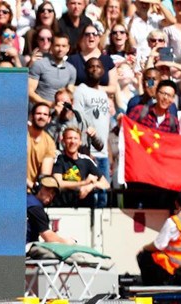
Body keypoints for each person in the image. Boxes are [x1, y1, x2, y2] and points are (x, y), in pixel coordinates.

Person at [73, 58, 111, 207]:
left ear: (103, 71)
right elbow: (78, 121)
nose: (95, 69)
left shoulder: (103, 93)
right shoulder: (81, 90)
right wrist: (84, 150)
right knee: (90, 199)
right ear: (85, 70)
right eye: (91, 67)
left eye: (98, 66)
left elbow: (104, 125)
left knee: (103, 198)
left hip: (104, 154)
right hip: (89, 153)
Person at [52, 127, 110, 208]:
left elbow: (106, 184)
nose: (72, 141)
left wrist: (90, 186)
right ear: (63, 141)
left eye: (75, 138)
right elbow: (58, 183)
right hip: (62, 208)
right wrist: (84, 182)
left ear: (80, 142)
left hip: (84, 210)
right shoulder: (59, 159)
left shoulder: (86, 160)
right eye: (69, 138)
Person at [28, 33, 76, 107]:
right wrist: (49, 104)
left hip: (61, 112)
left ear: (68, 48)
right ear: (51, 47)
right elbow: (29, 91)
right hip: (41, 110)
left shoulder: (71, 69)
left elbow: (70, 93)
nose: (60, 49)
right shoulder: (39, 64)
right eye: (57, 45)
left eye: (63, 46)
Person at [27, 175, 76, 244]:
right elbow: (48, 237)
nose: (50, 194)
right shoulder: (35, 207)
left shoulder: (28, 200)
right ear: (38, 188)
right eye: (47, 189)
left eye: (53, 192)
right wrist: (66, 241)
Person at [27, 102, 56, 193]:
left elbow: (44, 175)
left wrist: (37, 188)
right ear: (31, 116)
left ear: (49, 119)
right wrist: (30, 184)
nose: (41, 117)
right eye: (38, 113)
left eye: (45, 114)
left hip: (31, 192)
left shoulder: (49, 142)